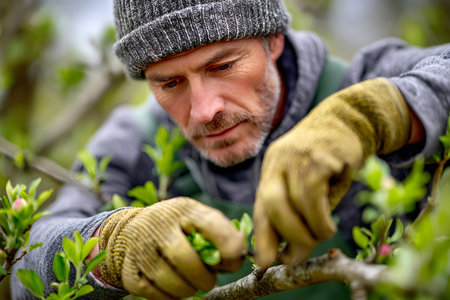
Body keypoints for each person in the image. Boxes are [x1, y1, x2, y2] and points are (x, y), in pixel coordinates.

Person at [12, 0, 450, 299]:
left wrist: (370, 116)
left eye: (222, 66)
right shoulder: (137, 140)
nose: (204, 111)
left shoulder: (359, 79)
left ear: (273, 40)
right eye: (170, 82)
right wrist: (113, 244)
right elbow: (25, 266)